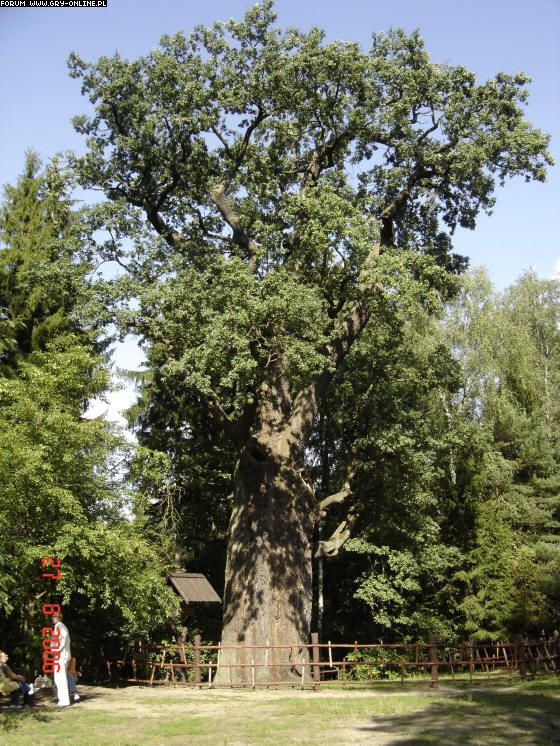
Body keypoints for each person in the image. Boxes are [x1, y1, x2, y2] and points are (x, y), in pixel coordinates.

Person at [52, 612, 71, 707]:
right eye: (53, 616)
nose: (53, 618)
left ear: (59, 618)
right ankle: (62, 700)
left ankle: (64, 700)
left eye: (55, 616)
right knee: (58, 678)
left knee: (61, 678)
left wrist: (56, 650)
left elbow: (63, 640)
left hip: (61, 656)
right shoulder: (58, 627)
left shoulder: (60, 626)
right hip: (59, 655)